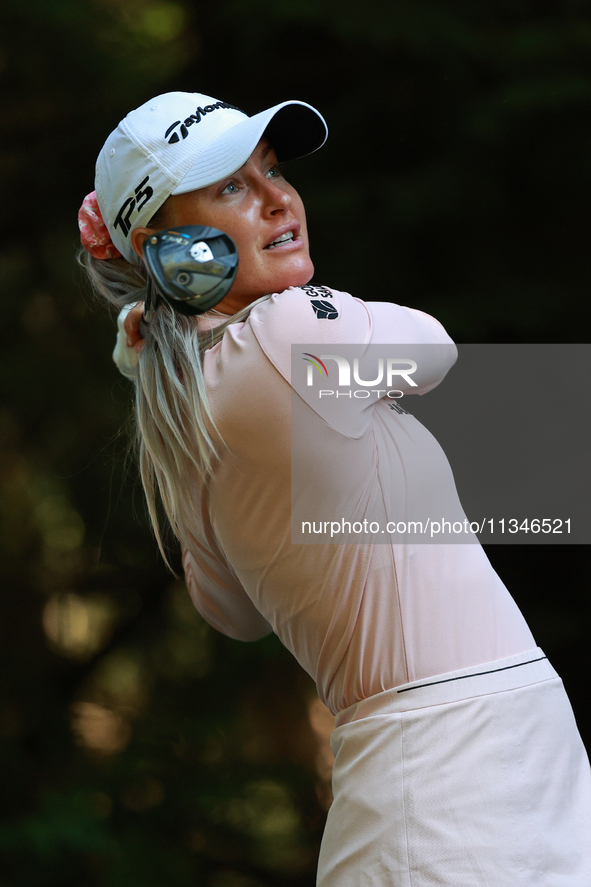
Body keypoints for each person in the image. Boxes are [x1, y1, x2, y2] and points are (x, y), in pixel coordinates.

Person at [78, 91, 591, 885]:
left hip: (468, 759)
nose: (280, 199)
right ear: (162, 246)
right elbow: (435, 350)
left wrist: (150, 350)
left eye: (273, 171)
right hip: (449, 778)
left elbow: (234, 612)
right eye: (231, 188)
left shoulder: (186, 420)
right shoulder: (290, 333)